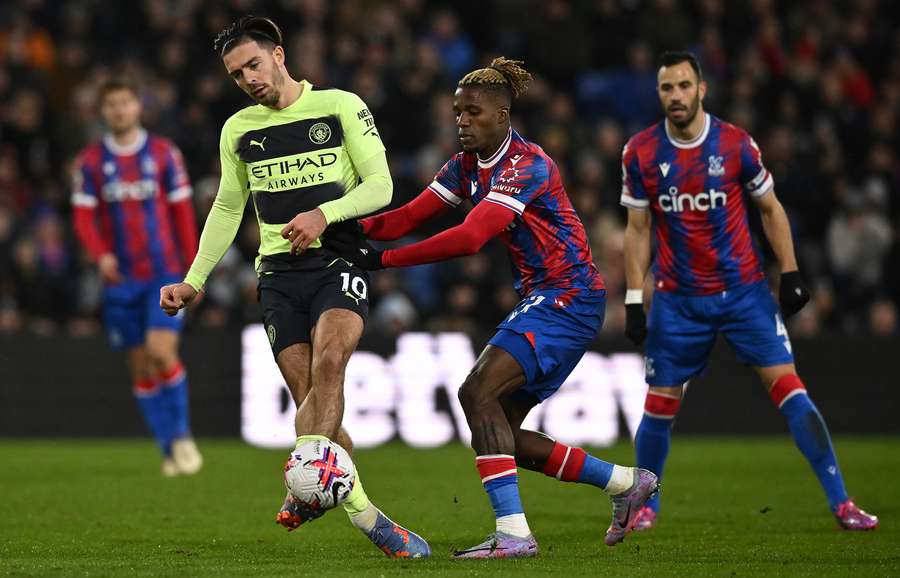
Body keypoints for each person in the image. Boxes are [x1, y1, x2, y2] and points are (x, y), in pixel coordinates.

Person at [329, 57, 658, 559]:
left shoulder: (527, 164)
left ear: (503, 115)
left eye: (473, 112)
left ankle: (514, 535)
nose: (462, 121)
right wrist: (349, 225)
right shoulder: (465, 166)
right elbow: (411, 215)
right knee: (501, 431)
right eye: (458, 112)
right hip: (545, 298)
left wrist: (381, 261)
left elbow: (468, 238)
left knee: (475, 391)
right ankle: (625, 483)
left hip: (567, 296)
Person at [158, 16, 429, 558]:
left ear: (279, 54)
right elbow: (229, 206)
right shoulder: (238, 129)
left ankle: (301, 485)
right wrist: (193, 281)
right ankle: (369, 518)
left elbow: (381, 186)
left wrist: (323, 215)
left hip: (338, 258)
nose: (248, 79)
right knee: (312, 403)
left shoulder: (341, 105)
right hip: (278, 275)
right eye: (236, 75)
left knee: (332, 362)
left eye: (253, 64)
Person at [620, 51, 878, 532]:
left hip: (743, 293)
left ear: (702, 90)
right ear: (659, 94)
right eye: (666, 88)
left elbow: (770, 209)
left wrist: (792, 272)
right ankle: (646, 505)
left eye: (683, 86)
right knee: (660, 402)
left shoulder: (736, 144)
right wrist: (635, 297)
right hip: (677, 300)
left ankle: (842, 503)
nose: (675, 96)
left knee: (789, 387)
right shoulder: (640, 152)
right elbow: (636, 230)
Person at [72, 79, 203, 477]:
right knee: (142, 366)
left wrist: (195, 268)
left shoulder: (164, 154)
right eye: (111, 105)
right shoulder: (91, 162)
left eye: (125, 102)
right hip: (120, 281)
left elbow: (183, 213)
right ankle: (168, 451)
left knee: (162, 353)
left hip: (162, 273)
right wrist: (101, 255)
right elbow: (83, 218)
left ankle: (181, 437)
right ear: (103, 112)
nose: (118, 110)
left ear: (137, 107)